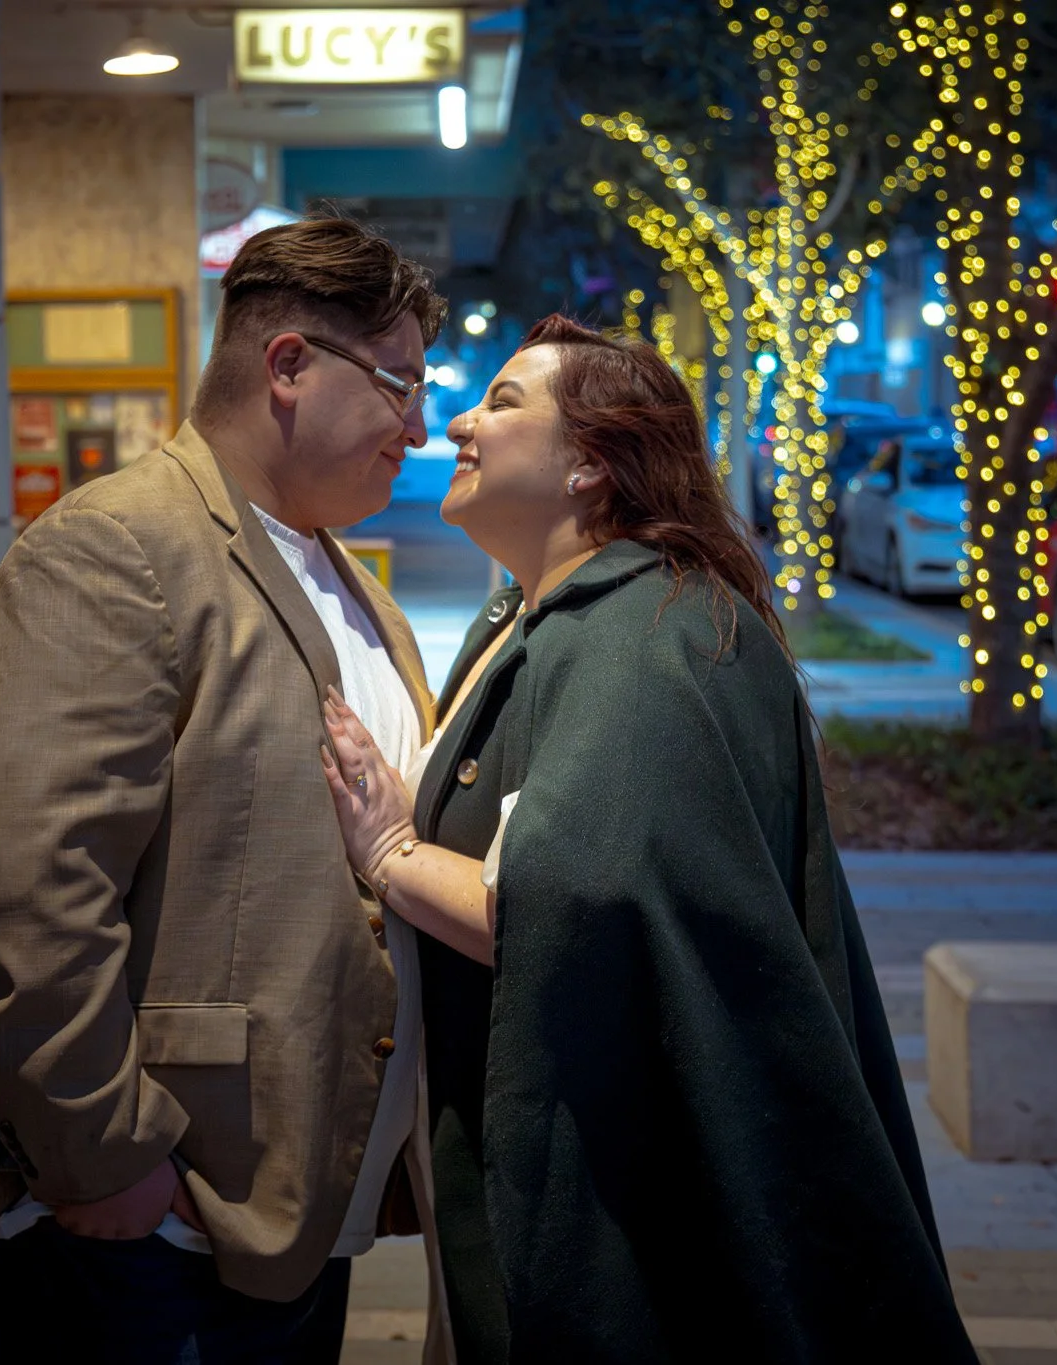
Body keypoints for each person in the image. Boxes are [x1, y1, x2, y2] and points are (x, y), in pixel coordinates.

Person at [316, 315, 978, 1363]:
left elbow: (554, 899)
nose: (458, 427)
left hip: (627, 1214)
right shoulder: (557, 617)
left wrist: (389, 850)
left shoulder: (643, 643)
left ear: (589, 463)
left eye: (502, 403)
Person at [0, 217, 448, 1363]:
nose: (417, 425)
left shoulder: (340, 571)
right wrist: (105, 1159)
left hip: (277, 1209)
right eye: (398, 383)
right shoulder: (117, 549)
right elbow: (35, 887)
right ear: (288, 365)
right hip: (141, 1228)